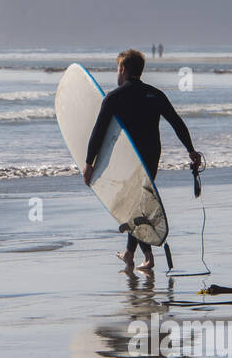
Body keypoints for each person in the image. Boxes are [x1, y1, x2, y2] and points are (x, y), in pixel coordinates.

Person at [83, 49, 201, 271]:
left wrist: (89, 163)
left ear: (123, 70)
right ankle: (138, 255)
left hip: (128, 158)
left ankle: (137, 255)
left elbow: (98, 132)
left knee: (134, 205)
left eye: (117, 69)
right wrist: (190, 150)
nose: (116, 74)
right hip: (151, 154)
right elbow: (177, 122)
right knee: (139, 203)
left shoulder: (114, 98)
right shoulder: (154, 94)